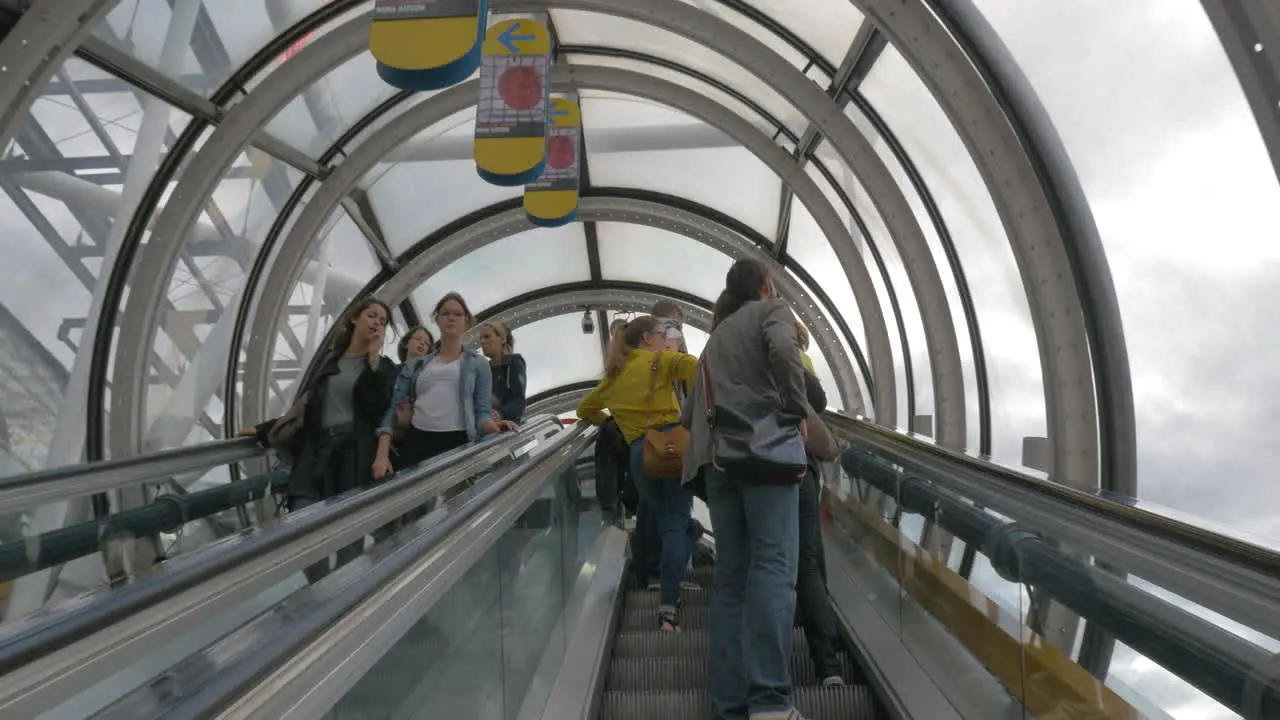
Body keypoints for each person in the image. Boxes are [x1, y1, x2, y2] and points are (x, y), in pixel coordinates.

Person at [683, 259, 811, 720]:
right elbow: (782, 351)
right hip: (767, 457)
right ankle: (770, 701)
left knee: (731, 580)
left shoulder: (713, 339)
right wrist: (795, 410)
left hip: (720, 465)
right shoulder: (770, 311)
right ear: (765, 285)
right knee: (774, 568)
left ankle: (730, 705)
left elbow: (688, 412)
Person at [238, 297, 398, 583]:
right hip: (317, 452)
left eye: (383, 321)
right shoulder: (330, 361)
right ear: (354, 319)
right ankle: (322, 587)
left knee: (350, 533)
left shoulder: (383, 367)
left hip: (355, 454)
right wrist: (264, 429)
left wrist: (373, 360)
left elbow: (382, 409)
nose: (377, 323)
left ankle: (344, 594)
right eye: (372, 316)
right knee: (301, 524)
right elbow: (306, 408)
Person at [577, 316, 698, 631]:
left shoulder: (613, 377)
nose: (664, 338)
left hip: (639, 456)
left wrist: (613, 420)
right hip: (672, 449)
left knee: (668, 520)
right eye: (662, 334)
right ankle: (668, 610)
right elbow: (699, 369)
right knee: (675, 525)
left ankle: (690, 536)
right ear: (647, 338)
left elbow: (584, 410)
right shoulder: (661, 359)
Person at [372, 293, 517, 483]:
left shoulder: (479, 364)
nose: (451, 317)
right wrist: (382, 455)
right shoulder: (417, 365)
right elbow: (393, 408)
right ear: (437, 320)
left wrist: (494, 427)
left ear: (466, 321)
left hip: (458, 444)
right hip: (417, 444)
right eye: (445, 313)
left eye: (458, 314)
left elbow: (482, 413)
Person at [478, 321, 527, 423]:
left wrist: (501, 414)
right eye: (481, 338)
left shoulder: (514, 363)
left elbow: (518, 401)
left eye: (487, 337)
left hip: (507, 430)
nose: (482, 342)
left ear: (502, 339)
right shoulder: (484, 370)